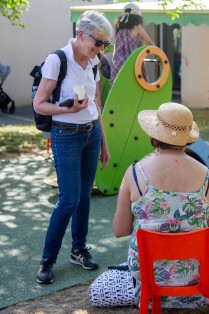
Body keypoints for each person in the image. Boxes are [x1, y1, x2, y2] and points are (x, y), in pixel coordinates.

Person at [110, 102, 209, 308]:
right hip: (197, 280)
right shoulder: (208, 176)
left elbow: (120, 230)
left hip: (149, 281)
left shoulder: (136, 173)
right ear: (187, 137)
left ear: (154, 135)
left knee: (100, 288)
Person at [33, 11, 112, 284]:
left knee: (85, 195)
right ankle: (47, 259)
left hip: (91, 134)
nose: (102, 49)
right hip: (66, 135)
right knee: (69, 199)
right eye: (98, 42)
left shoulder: (93, 61)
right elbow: (39, 104)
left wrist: (103, 142)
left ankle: (78, 249)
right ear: (81, 35)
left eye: (105, 44)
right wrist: (66, 109)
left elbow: (95, 104)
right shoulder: (57, 60)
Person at [110, 3, 154, 85]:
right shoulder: (137, 27)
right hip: (131, 61)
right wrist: (158, 53)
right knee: (137, 85)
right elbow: (149, 42)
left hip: (117, 62)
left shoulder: (120, 27)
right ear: (137, 16)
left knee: (117, 87)